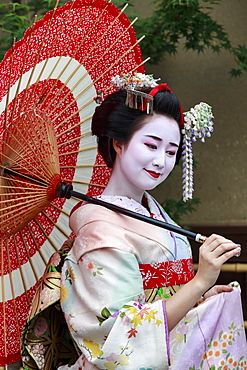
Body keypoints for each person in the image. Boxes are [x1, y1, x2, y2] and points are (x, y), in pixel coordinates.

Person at [22, 74, 247, 369]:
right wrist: (199, 282)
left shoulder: (149, 210)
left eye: (170, 151)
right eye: (151, 145)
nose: (160, 161)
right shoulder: (100, 230)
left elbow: (162, 293)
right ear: (118, 143)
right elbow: (118, 335)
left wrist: (199, 297)